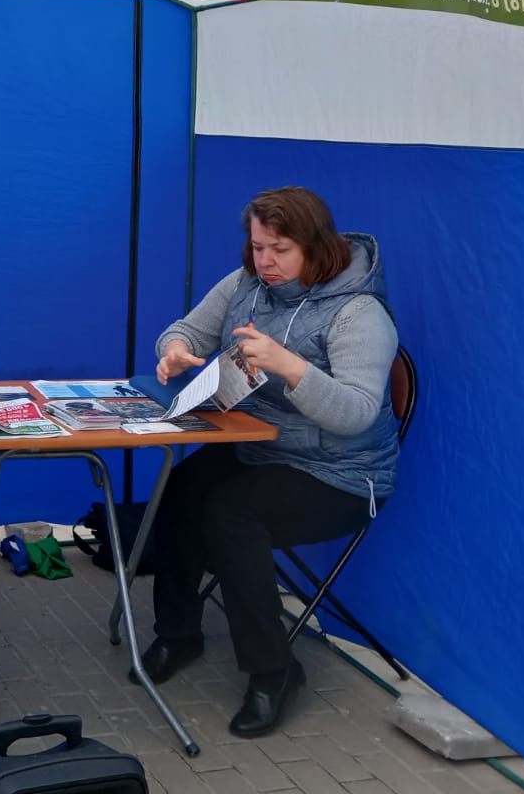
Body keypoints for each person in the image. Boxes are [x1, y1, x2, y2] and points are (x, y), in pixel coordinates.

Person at [135, 186, 398, 739]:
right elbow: (184, 329)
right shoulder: (245, 286)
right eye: (257, 247)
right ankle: (179, 633)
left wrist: (290, 366)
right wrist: (175, 351)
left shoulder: (359, 313)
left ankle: (273, 672)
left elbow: (355, 412)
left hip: (344, 474)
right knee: (182, 487)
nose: (265, 261)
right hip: (262, 448)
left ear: (316, 245)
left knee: (233, 512)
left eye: (279, 249)